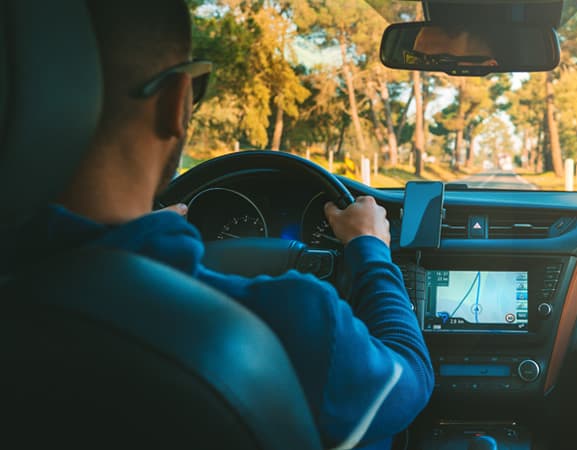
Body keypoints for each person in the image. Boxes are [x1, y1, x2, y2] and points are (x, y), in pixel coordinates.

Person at [11, 1, 433, 449]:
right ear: (178, 103)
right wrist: (370, 249)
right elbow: (410, 381)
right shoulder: (299, 322)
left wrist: (134, 246)